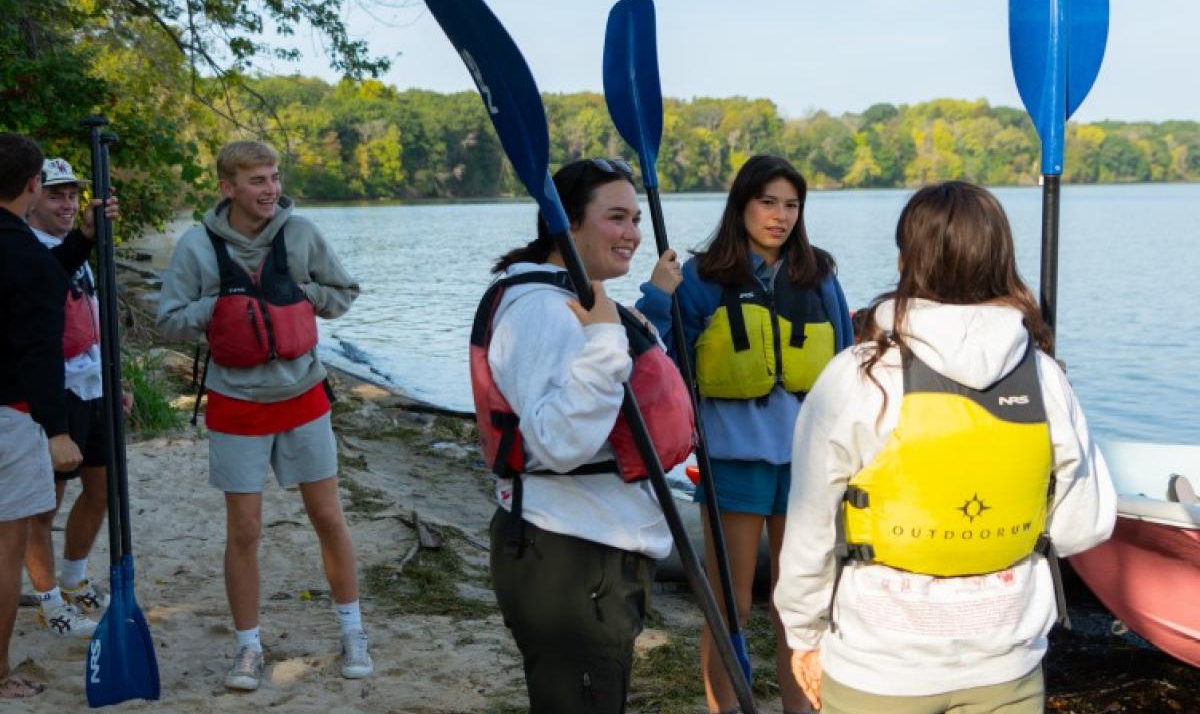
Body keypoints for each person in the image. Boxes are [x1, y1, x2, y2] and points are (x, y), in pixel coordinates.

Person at [774, 181, 1117, 714]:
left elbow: (809, 531)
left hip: (878, 664)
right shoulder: (1047, 378)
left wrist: (804, 633)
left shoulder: (858, 377)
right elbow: (1085, 525)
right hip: (1008, 661)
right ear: (1002, 259)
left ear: (906, 258)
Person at [473, 158, 694, 713]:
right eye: (616, 218)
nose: (633, 235)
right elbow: (559, 443)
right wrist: (604, 342)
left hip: (592, 544)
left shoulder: (571, 297)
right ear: (566, 225)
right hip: (568, 553)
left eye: (636, 219)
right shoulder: (543, 311)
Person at [636, 154, 853, 714]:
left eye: (791, 205)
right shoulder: (704, 279)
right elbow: (655, 358)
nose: (780, 216)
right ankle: (728, 709)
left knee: (800, 601)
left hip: (807, 467)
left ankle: (800, 708)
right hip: (732, 462)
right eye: (768, 202)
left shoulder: (818, 275)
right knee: (730, 602)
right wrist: (659, 297)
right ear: (742, 205)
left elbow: (850, 363)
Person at [156, 140, 367, 691]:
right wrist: (220, 307)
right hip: (236, 401)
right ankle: (249, 647)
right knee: (245, 530)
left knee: (327, 518)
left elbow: (345, 293)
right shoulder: (198, 247)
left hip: (303, 394)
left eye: (274, 178)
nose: (271, 189)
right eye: (257, 181)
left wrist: (298, 294)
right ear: (228, 187)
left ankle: (352, 631)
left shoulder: (300, 235)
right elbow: (169, 321)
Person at [0, 135, 97, 697]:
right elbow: (39, 354)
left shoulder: (33, 259)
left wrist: (82, 240)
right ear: (33, 185)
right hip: (10, 418)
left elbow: (40, 273)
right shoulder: (25, 260)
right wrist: (57, 431)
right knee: (6, 545)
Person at [22, 158, 129, 641]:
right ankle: (47, 600)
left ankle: (72, 577)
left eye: (72, 195)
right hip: (53, 389)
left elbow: (92, 313)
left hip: (92, 383)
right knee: (45, 504)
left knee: (102, 490)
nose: (67, 204)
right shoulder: (26, 251)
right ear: (32, 197)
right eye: (56, 195)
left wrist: (116, 377)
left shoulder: (76, 251)